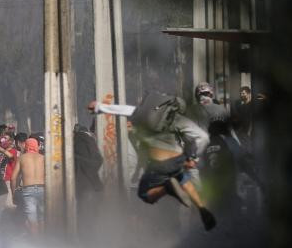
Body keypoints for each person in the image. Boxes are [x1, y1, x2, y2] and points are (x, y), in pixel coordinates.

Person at [91, 94, 216, 230]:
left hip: (159, 163)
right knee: (185, 182)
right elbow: (203, 137)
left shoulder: (144, 115)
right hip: (178, 161)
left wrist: (100, 107)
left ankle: (166, 190)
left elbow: (123, 110)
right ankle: (200, 210)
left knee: (145, 194)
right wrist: (193, 158)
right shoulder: (178, 121)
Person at [11, 136, 45, 235]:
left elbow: (13, 178)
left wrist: (14, 193)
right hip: (43, 189)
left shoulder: (22, 158)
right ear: (36, 146)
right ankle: (44, 243)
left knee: (32, 219)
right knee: (42, 218)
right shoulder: (43, 158)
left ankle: (35, 243)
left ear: (26, 146)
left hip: (28, 191)